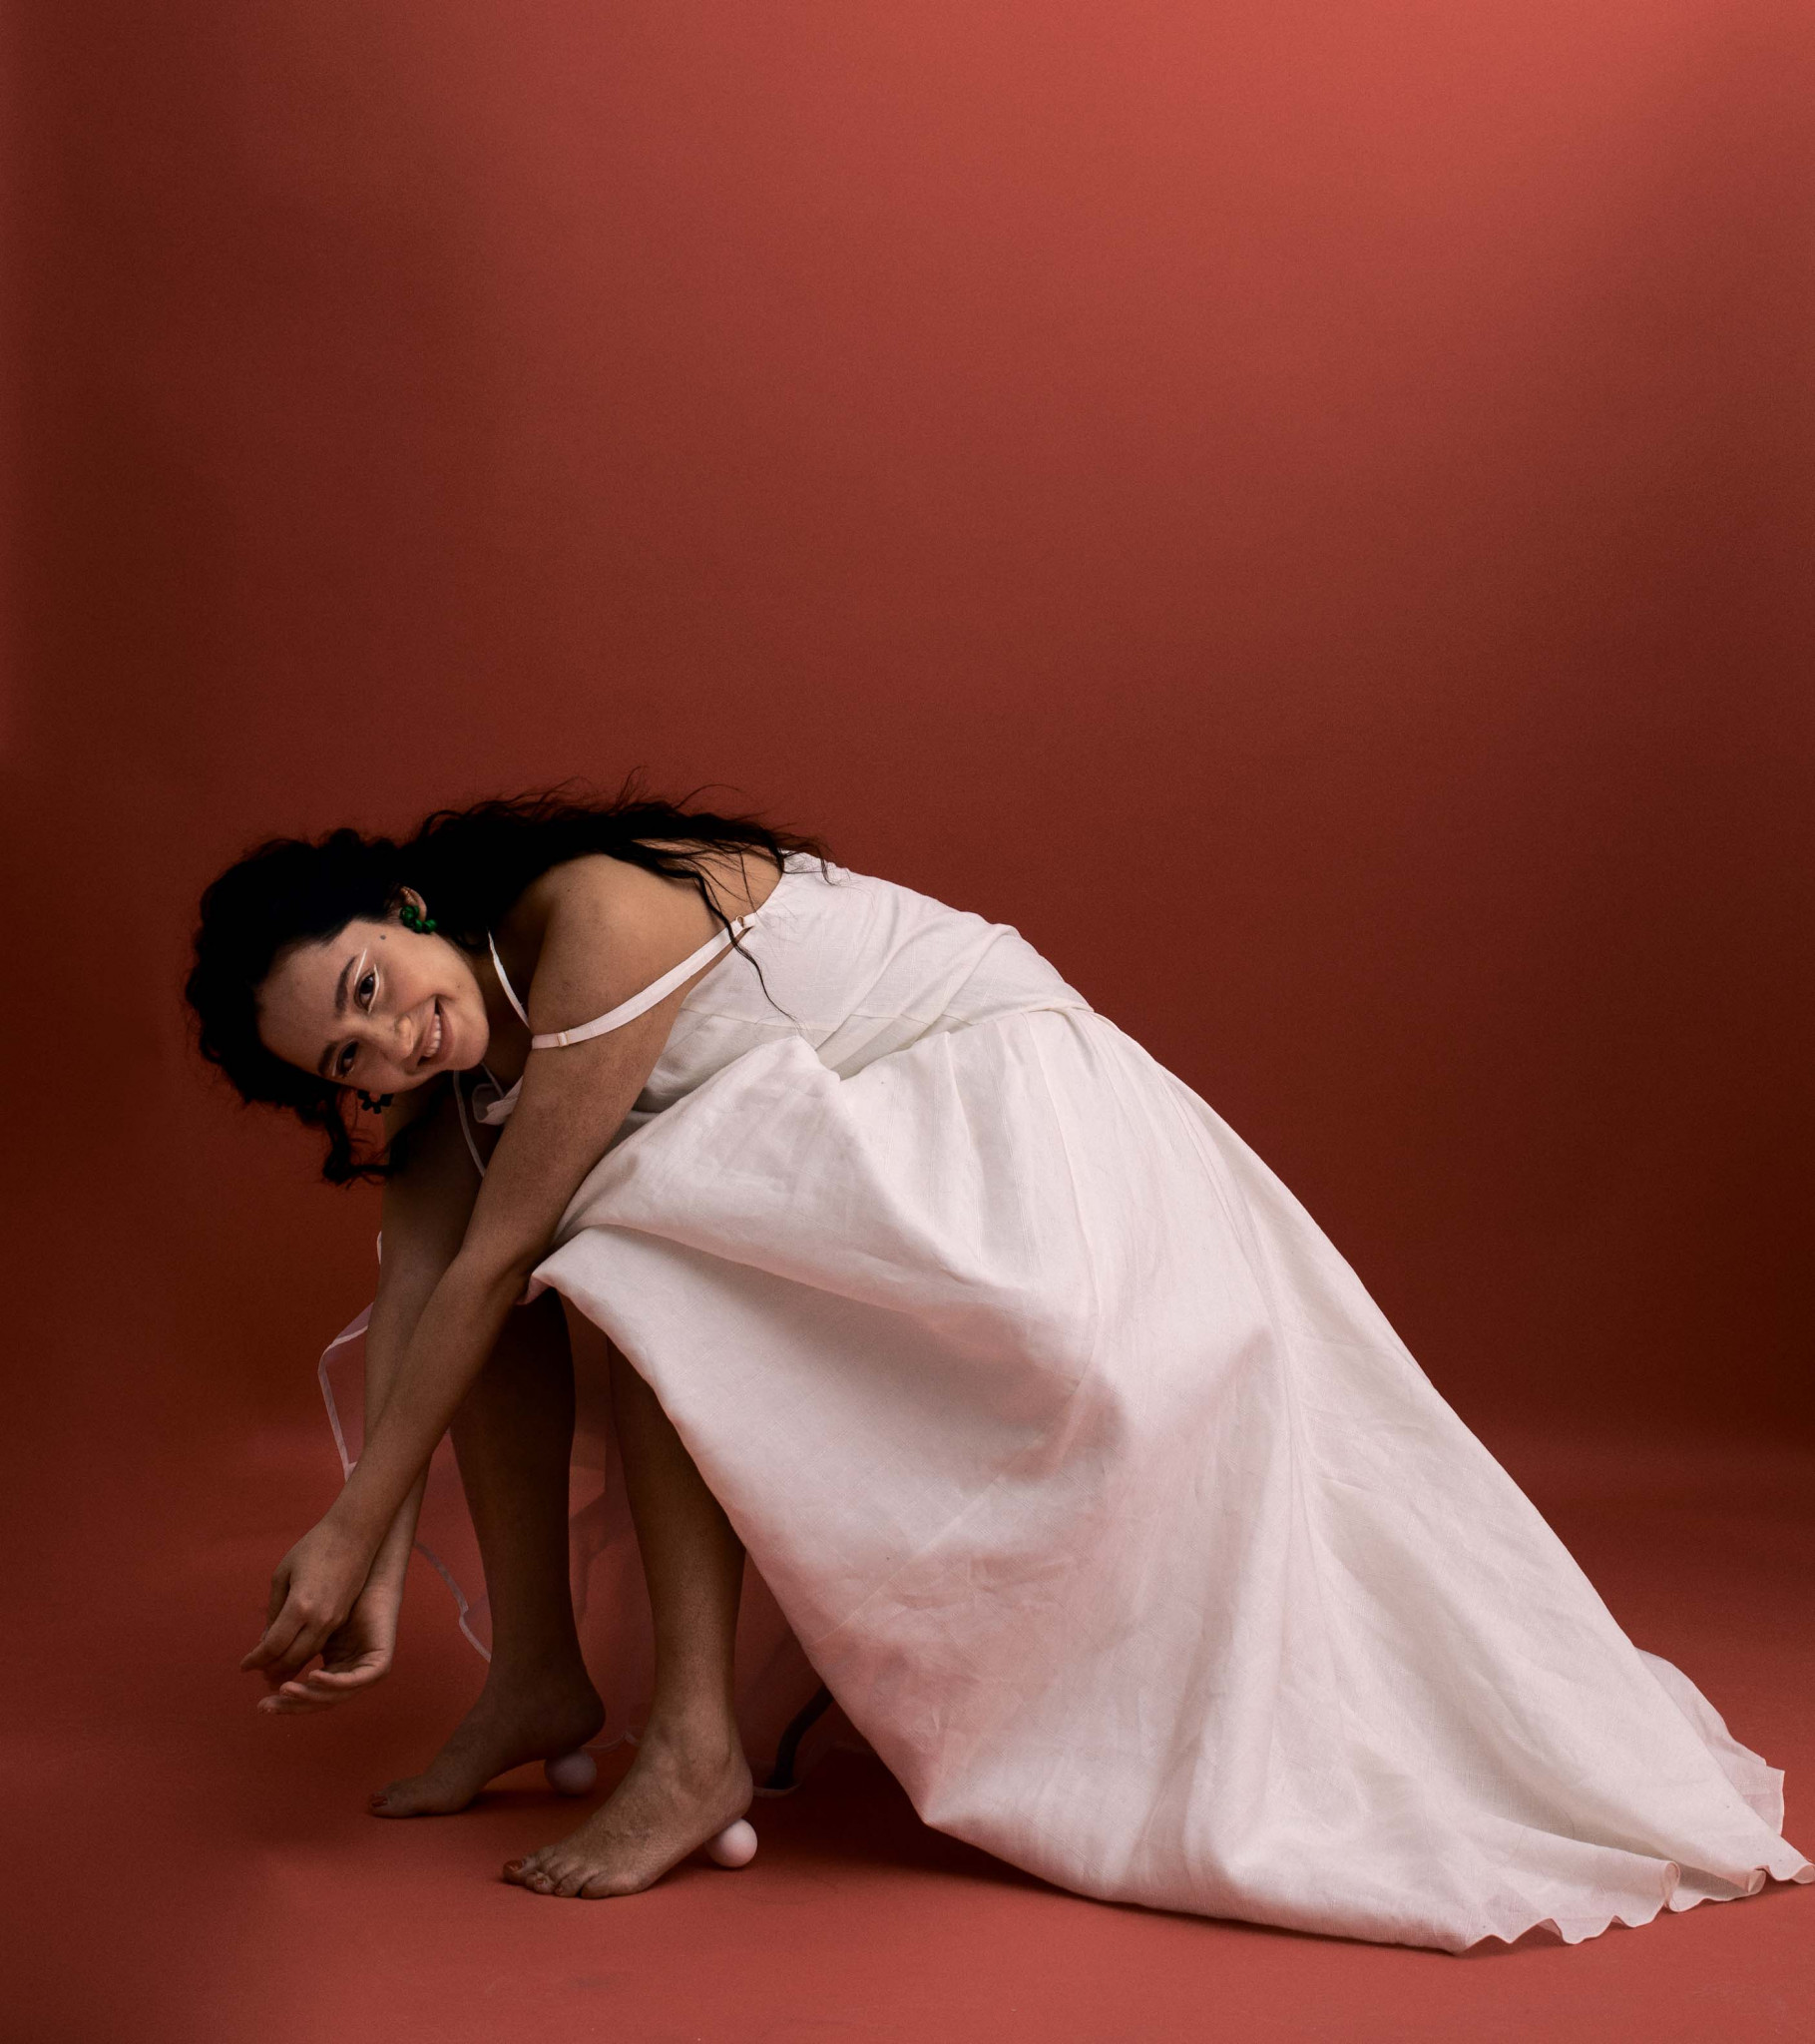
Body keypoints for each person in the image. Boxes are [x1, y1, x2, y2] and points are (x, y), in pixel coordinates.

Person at [186, 787, 1809, 1949]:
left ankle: (692, 1748)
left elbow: (495, 1252)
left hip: (1018, 1133)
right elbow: (429, 1296)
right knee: (552, 1254)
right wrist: (366, 1560)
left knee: (627, 1238)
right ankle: (537, 1675)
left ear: (410, 910)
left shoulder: (590, 917)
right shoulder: (458, 1072)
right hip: (867, 1161)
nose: (393, 1044)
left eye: (370, 991)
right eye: (349, 1059)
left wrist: (352, 1531)